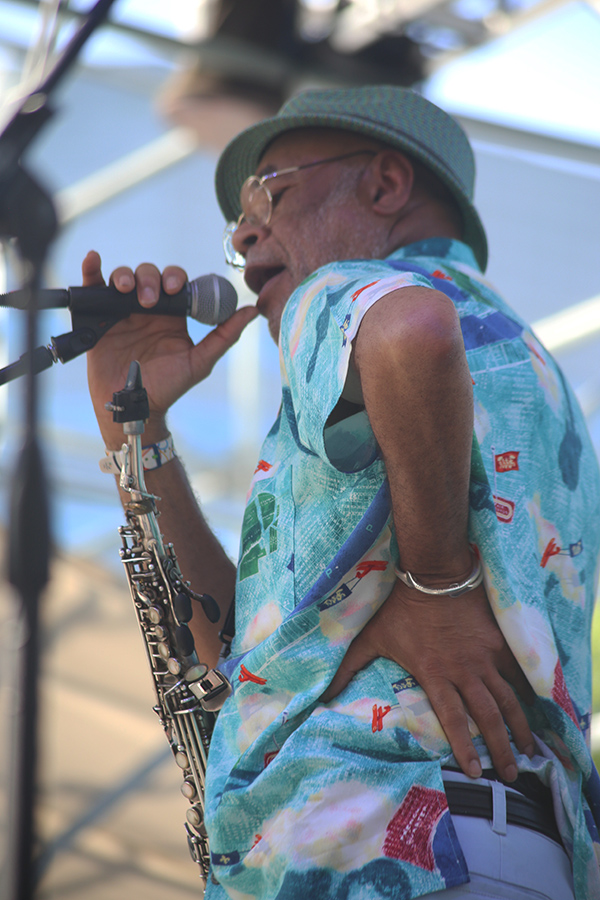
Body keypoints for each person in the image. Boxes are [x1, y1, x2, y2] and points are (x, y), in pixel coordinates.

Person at [84, 86, 600, 900]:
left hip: (388, 845)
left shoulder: (353, 293)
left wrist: (436, 584)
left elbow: (411, 334)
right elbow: (237, 665)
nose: (247, 232)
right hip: (506, 847)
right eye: (238, 223)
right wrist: (135, 429)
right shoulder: (532, 375)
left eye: (274, 193)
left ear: (386, 187)